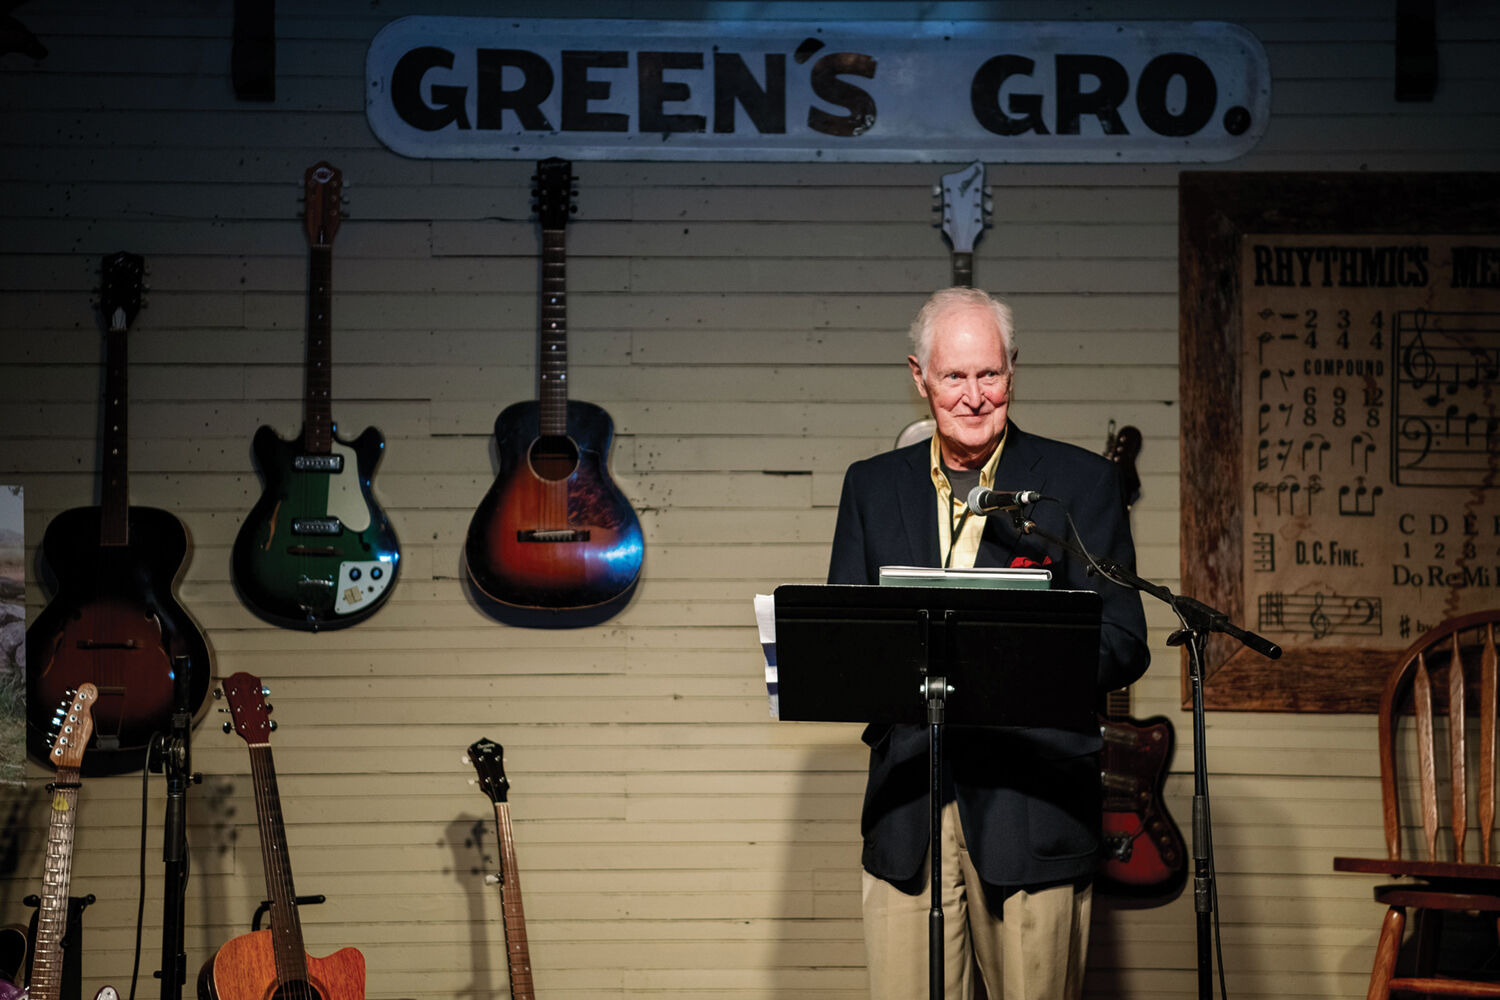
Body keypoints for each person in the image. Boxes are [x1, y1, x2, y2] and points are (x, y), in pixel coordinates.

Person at [827, 286, 1150, 1000]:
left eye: (990, 375)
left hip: (1032, 803)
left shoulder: (1080, 484)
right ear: (919, 377)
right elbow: (849, 649)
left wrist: (1013, 659)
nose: (974, 396)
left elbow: (1125, 640)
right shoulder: (872, 488)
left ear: (1013, 371)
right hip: (912, 806)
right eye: (953, 377)